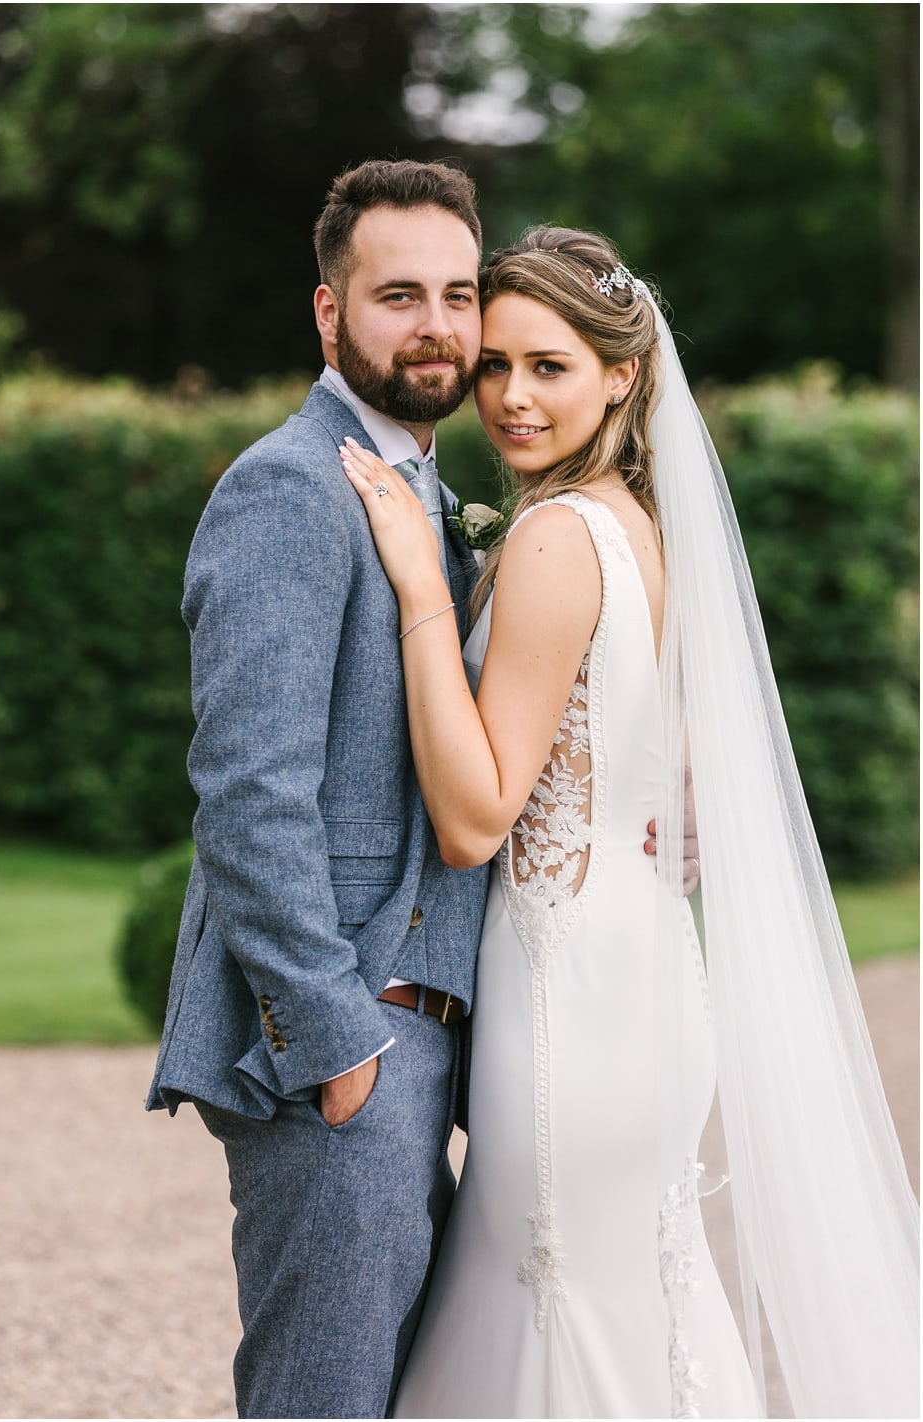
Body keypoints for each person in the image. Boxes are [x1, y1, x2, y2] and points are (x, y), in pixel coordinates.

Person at [341, 226, 920, 1419]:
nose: (508, 397)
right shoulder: (641, 530)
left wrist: (413, 588)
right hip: (645, 970)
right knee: (631, 1304)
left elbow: (473, 817)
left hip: (567, 997)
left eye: (546, 367)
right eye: (493, 366)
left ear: (619, 374)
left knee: (551, 1309)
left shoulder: (556, 538)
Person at [145, 162, 694, 1419]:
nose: (443, 329)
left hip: (460, 1040)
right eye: (399, 295)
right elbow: (248, 797)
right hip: (353, 1043)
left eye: (460, 294)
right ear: (330, 313)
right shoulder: (291, 488)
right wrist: (338, 1046)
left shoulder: (450, 507)